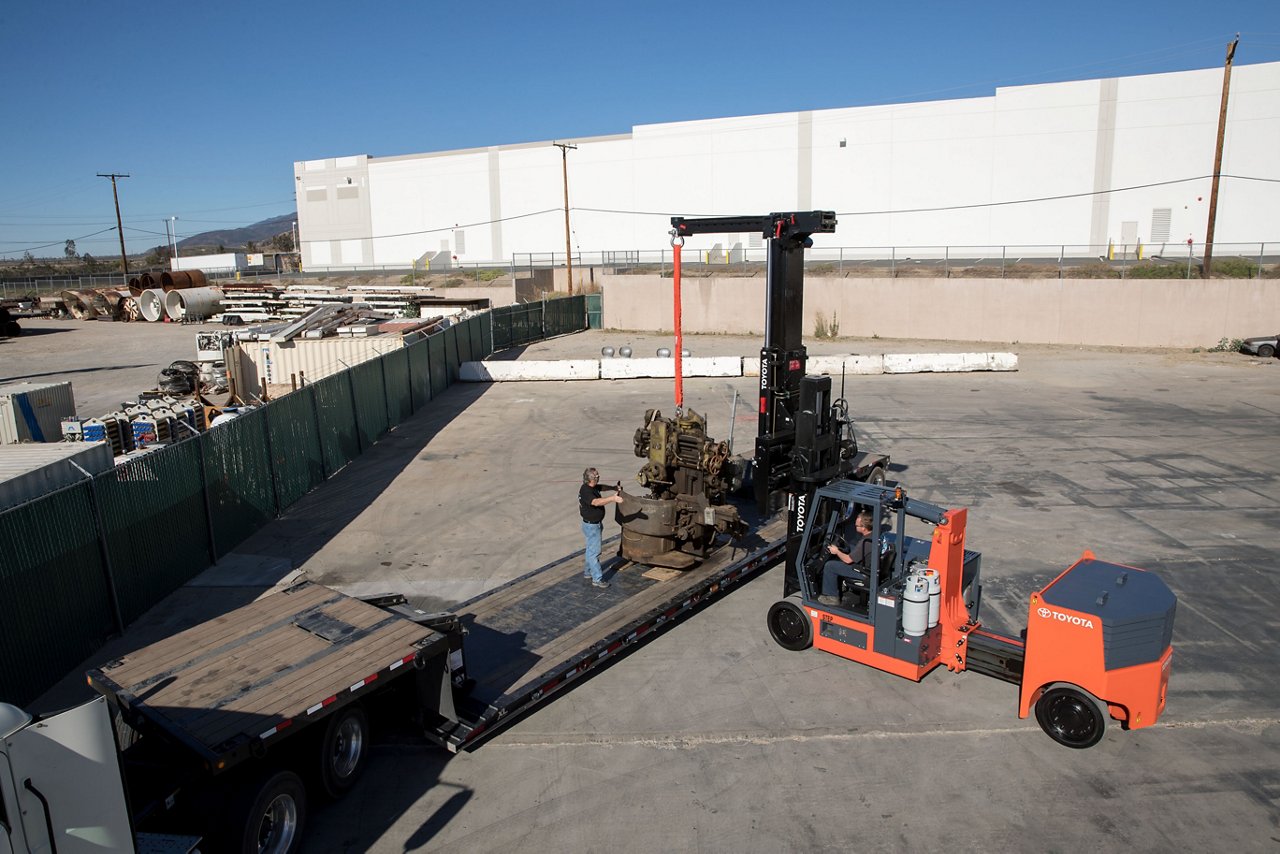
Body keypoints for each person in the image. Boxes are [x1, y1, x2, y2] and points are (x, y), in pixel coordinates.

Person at [819, 509, 875, 606]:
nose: (855, 526)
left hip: (864, 573)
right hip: (869, 567)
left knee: (830, 566)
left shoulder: (866, 543)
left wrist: (836, 551)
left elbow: (848, 560)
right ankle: (840, 586)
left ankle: (832, 597)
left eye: (857, 525)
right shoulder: (873, 535)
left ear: (864, 528)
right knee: (850, 547)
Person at [580, 467, 623, 588]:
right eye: (597, 476)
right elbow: (596, 502)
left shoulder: (591, 487)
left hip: (591, 524)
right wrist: (613, 499)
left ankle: (588, 572)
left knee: (590, 549)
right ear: (591, 479)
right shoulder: (586, 491)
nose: (599, 477)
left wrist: (613, 488)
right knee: (595, 553)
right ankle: (597, 579)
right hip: (592, 526)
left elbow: (601, 487)